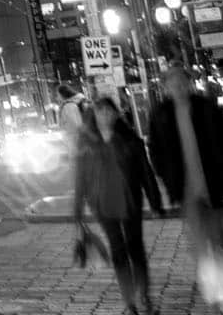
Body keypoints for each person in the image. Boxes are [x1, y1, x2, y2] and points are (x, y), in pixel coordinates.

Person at [148, 66, 223, 315]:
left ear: (189, 84)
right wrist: (167, 177)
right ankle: (214, 297)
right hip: (186, 190)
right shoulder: (160, 114)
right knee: (201, 246)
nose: (178, 86)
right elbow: (154, 149)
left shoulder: (206, 107)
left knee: (221, 243)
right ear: (165, 87)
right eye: (172, 83)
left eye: (182, 82)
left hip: (213, 185)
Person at [73, 97, 163, 315]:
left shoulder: (131, 140)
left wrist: (155, 202)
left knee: (135, 248)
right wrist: (77, 211)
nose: (104, 115)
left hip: (129, 200)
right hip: (102, 205)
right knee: (118, 250)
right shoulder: (85, 143)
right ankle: (129, 300)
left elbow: (145, 173)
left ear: (116, 114)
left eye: (108, 111)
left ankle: (144, 296)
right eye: (100, 111)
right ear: (93, 115)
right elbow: (80, 178)